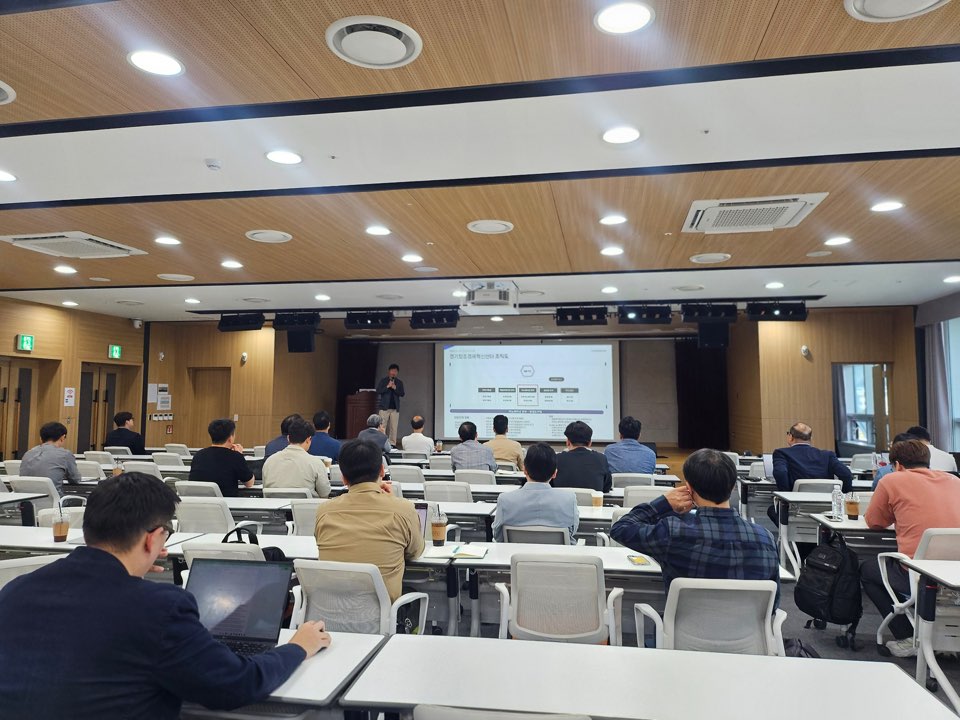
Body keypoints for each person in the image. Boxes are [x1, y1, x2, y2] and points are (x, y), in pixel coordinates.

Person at [0, 472, 330, 719]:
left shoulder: (16, 590)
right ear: (153, 538)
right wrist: (298, 647)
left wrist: (134, 575)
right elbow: (237, 686)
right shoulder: (159, 608)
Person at [611, 448, 780, 608]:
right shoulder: (765, 539)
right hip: (745, 629)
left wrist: (663, 503)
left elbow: (621, 528)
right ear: (733, 487)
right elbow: (772, 604)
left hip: (682, 629)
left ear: (689, 489)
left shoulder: (673, 532)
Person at [862, 439, 960, 657]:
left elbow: (874, 522)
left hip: (919, 573)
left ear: (897, 465)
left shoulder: (892, 480)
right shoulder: (955, 481)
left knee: (868, 570)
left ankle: (908, 636)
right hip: (955, 572)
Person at [313, 439, 424, 601]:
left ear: (343, 478)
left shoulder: (324, 511)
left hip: (332, 608)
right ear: (382, 470)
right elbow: (415, 552)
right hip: (382, 610)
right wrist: (394, 503)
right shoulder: (403, 509)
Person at [767, 422, 852, 524]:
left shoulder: (781, 453)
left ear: (791, 437)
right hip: (827, 512)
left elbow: (780, 472)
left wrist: (787, 496)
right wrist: (843, 498)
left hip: (796, 511)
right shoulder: (827, 455)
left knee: (772, 510)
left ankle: (792, 533)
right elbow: (846, 474)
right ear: (811, 438)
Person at [493, 443, 577, 543]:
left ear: (525, 470)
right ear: (555, 473)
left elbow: (498, 536)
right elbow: (572, 532)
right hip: (557, 553)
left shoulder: (505, 500)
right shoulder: (569, 499)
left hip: (517, 552)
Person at [262, 417, 330, 498]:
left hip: (274, 505)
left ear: (288, 438)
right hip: (306, 506)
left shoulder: (269, 461)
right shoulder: (316, 463)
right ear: (308, 439)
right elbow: (324, 493)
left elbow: (265, 488)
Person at [188, 419, 255, 497]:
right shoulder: (235, 457)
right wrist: (239, 455)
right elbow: (249, 483)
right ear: (230, 438)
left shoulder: (198, 455)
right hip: (226, 503)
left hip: (198, 502)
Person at [20, 421, 81, 496]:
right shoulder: (65, 454)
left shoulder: (28, 453)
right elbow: (75, 479)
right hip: (54, 500)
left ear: (41, 438)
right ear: (62, 438)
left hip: (27, 500)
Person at [552, 420, 612, 493]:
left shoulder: (556, 459)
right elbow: (606, 488)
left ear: (568, 442)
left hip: (562, 500)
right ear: (590, 443)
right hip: (592, 500)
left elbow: (550, 486)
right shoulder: (601, 459)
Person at [376, 363, 405, 445]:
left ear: (397, 373)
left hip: (395, 408)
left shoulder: (399, 382)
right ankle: (382, 443)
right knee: (382, 426)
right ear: (389, 371)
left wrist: (395, 388)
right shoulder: (383, 381)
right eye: (392, 371)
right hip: (384, 408)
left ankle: (392, 444)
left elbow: (402, 394)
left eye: (395, 371)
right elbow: (378, 391)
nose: (393, 373)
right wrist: (387, 386)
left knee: (393, 427)